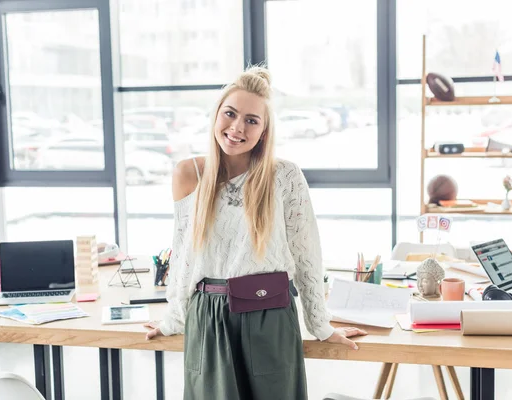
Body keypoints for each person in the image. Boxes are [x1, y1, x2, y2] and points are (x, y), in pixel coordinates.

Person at [144, 65, 367, 400]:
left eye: (252, 120)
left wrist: (320, 324)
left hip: (270, 315)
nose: (237, 128)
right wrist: (173, 317)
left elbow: (307, 254)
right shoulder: (189, 173)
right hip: (209, 317)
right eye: (230, 114)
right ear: (216, 115)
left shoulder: (284, 176)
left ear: (264, 131)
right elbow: (184, 252)